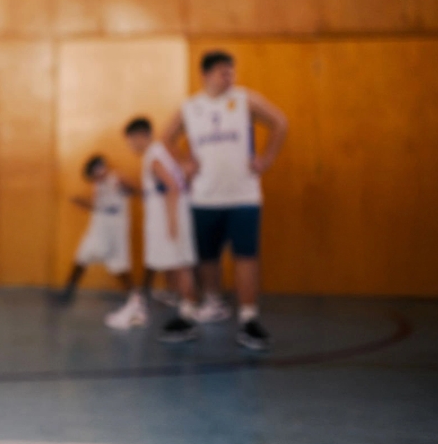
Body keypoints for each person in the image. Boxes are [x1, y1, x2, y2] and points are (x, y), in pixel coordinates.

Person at [163, 50, 288, 352]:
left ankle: (248, 318)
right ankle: (213, 302)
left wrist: (267, 158)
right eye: (222, 71)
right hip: (205, 196)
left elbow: (280, 122)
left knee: (246, 256)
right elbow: (166, 137)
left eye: (231, 70)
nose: (229, 76)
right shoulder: (190, 107)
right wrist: (184, 162)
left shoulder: (245, 99)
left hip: (244, 195)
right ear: (205, 75)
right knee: (207, 257)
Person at [123, 117, 199, 343]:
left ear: (139, 136)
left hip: (169, 219)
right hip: (170, 216)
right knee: (175, 265)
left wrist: (173, 222)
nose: (130, 147)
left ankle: (188, 315)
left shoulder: (154, 155)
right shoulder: (160, 153)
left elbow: (172, 186)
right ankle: (183, 308)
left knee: (179, 265)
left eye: (130, 141)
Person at [56, 155, 145, 330]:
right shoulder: (98, 184)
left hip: (115, 228)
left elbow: (138, 189)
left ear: (101, 168)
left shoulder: (117, 177)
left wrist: (129, 188)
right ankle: (68, 290)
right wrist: (82, 202)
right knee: (81, 256)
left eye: (95, 173)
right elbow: (97, 204)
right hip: (98, 226)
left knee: (119, 264)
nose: (95, 179)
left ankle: (135, 297)